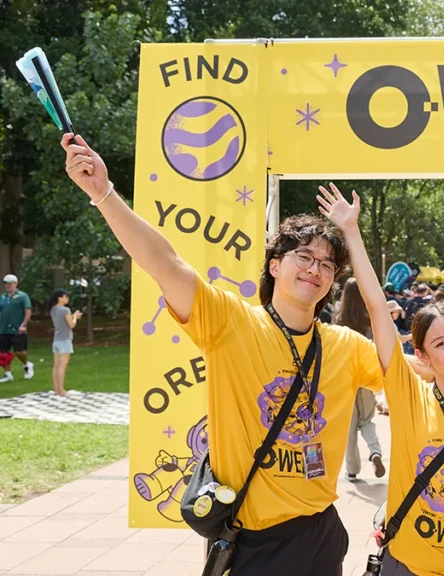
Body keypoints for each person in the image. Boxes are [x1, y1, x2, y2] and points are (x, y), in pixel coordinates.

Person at [62, 134, 383, 575]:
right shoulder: (231, 321)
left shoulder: (346, 346)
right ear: (274, 265)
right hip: (254, 542)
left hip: (322, 535)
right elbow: (166, 263)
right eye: (304, 256)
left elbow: (410, 374)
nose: (315, 269)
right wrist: (104, 193)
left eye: (327, 265)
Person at [318, 184, 444, 576]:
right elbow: (375, 307)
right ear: (422, 356)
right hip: (407, 565)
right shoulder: (408, 394)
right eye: (440, 343)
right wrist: (351, 232)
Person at [333, 278, 386, 481]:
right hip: (367, 378)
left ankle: (352, 469)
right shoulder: (370, 319)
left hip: (345, 380)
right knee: (366, 421)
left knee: (349, 426)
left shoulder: (339, 320)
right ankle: (375, 452)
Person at [45, 289, 81, 396]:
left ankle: (57, 390)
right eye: (66, 296)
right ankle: (61, 390)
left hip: (56, 340)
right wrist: (75, 317)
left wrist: (73, 316)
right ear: (60, 298)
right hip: (65, 340)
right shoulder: (65, 310)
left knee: (56, 366)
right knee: (62, 366)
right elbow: (71, 325)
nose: (67, 298)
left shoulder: (53, 310)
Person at [0, 274, 34, 383]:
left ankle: (27, 364)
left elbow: (28, 311)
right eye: (6, 283)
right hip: (4, 329)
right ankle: (8, 374)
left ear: (16, 283)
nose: (8, 285)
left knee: (19, 351)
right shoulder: (2, 297)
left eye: (10, 283)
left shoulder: (22, 296)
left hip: (18, 328)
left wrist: (23, 325)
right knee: (4, 353)